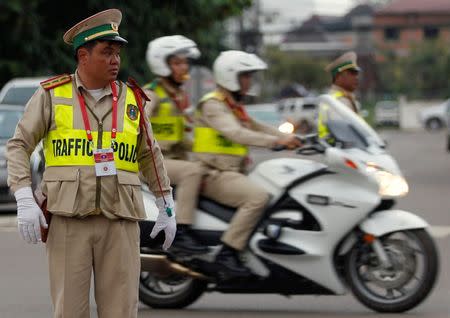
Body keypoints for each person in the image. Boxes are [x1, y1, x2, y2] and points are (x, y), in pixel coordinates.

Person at [6, 9, 176, 318]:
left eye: (117, 53)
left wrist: (166, 204)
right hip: (70, 221)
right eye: (106, 52)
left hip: (121, 222)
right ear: (83, 56)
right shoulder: (51, 96)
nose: (115, 60)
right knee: (69, 312)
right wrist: (23, 197)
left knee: (121, 312)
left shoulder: (132, 100)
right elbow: (18, 145)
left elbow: (149, 155)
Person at [193, 50, 301, 275]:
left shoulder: (233, 106)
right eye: (246, 76)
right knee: (257, 198)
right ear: (230, 75)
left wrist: (292, 138)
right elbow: (237, 133)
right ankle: (228, 251)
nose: (249, 81)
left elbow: (257, 127)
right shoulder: (213, 105)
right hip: (213, 173)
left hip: (233, 172)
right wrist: (276, 142)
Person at [143, 35, 208, 254]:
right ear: (162, 64)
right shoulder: (152, 93)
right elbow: (137, 124)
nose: (184, 67)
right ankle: (181, 232)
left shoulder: (179, 96)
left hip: (171, 160)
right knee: (193, 171)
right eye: (177, 63)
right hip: (152, 161)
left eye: (185, 62)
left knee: (206, 168)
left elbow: (186, 137)